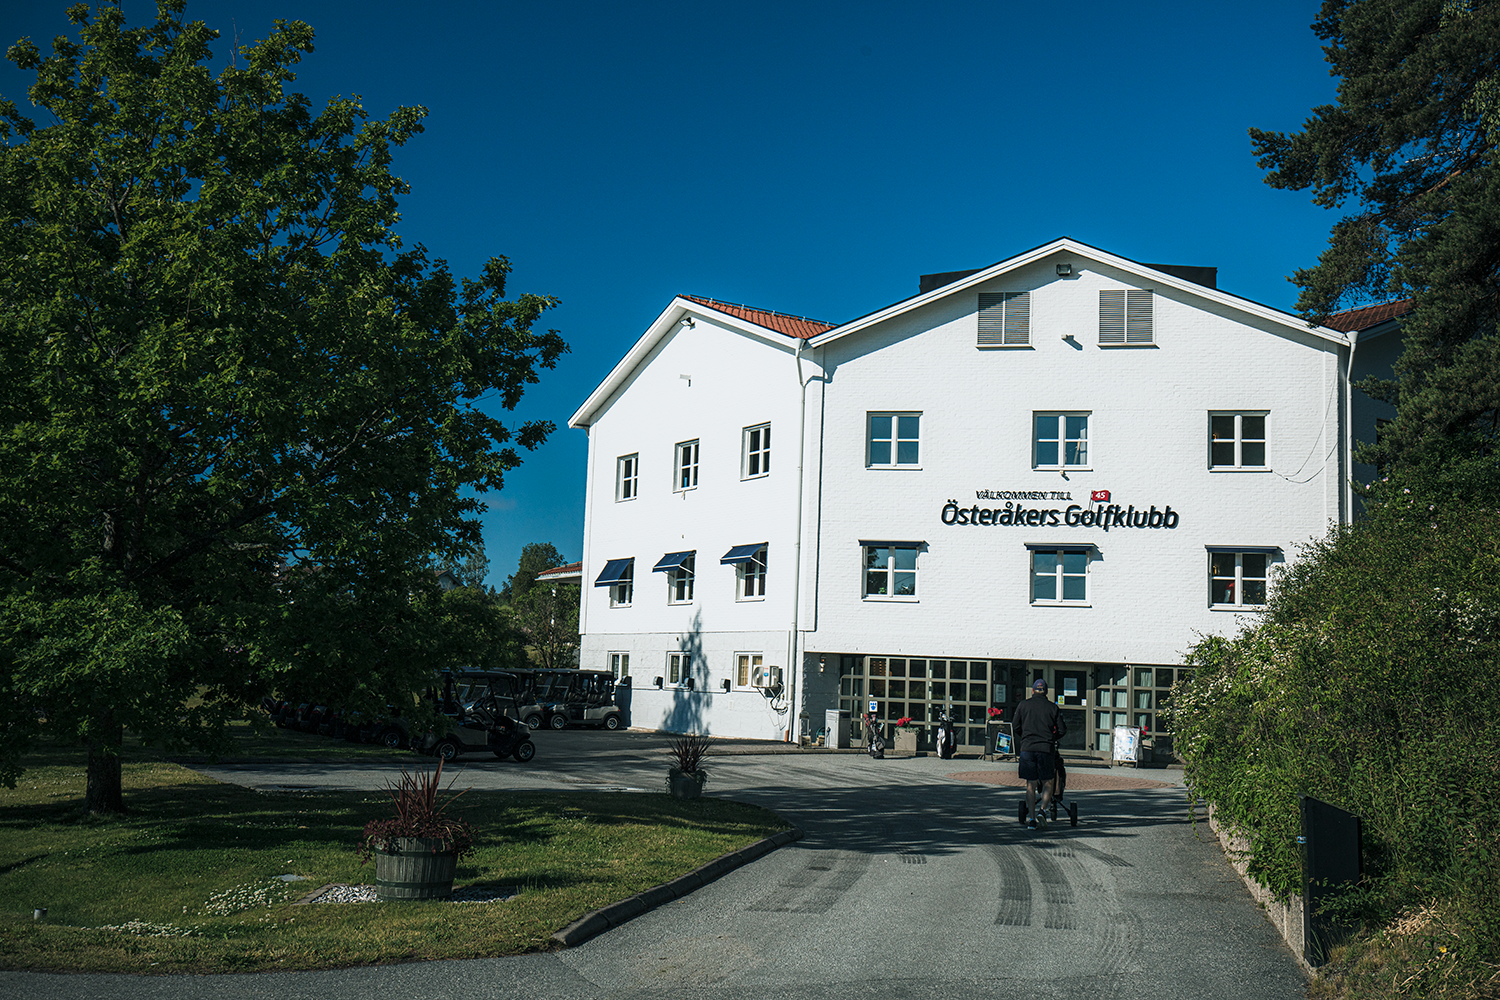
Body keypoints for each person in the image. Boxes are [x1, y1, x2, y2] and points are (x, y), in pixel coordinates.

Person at [1010, 678, 1066, 829]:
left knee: (1031, 784)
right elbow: (1062, 730)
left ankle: (1032, 819)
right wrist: (1051, 738)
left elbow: (1015, 726)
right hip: (1045, 749)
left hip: (1028, 748)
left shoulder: (1023, 705)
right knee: (1048, 782)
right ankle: (1043, 811)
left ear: (1033, 691)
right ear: (1046, 692)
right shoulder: (1052, 708)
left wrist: (1025, 736)